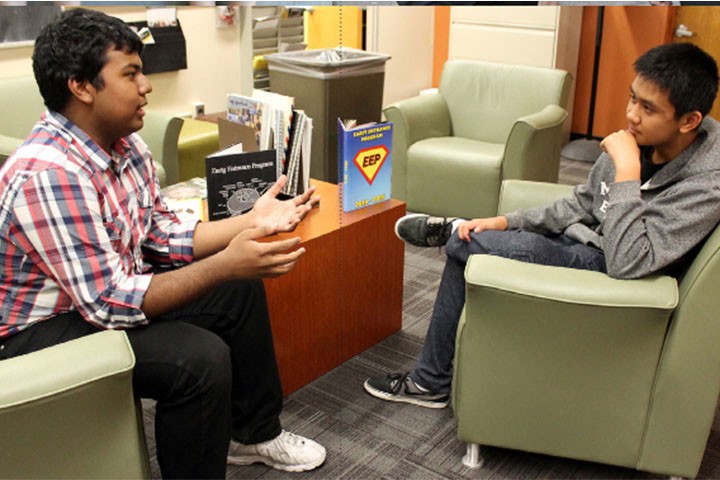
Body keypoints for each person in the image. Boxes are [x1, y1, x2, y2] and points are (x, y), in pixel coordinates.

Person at [0, 9, 325, 479]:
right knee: (199, 360)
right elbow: (109, 304)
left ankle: (255, 435)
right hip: (37, 333)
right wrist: (225, 264)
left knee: (238, 292)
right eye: (130, 74)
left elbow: (160, 236)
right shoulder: (49, 175)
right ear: (81, 86)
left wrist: (247, 223)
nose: (146, 85)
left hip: (94, 296)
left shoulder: (125, 146)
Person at [364, 42, 720, 409]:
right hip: (581, 242)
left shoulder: (707, 182)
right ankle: (431, 378)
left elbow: (628, 262)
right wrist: (504, 220)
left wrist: (627, 172)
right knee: (474, 241)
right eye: (632, 99)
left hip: (612, 272)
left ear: (689, 120)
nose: (631, 115)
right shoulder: (645, 138)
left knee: (463, 244)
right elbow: (583, 202)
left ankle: (430, 378)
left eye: (648, 108)